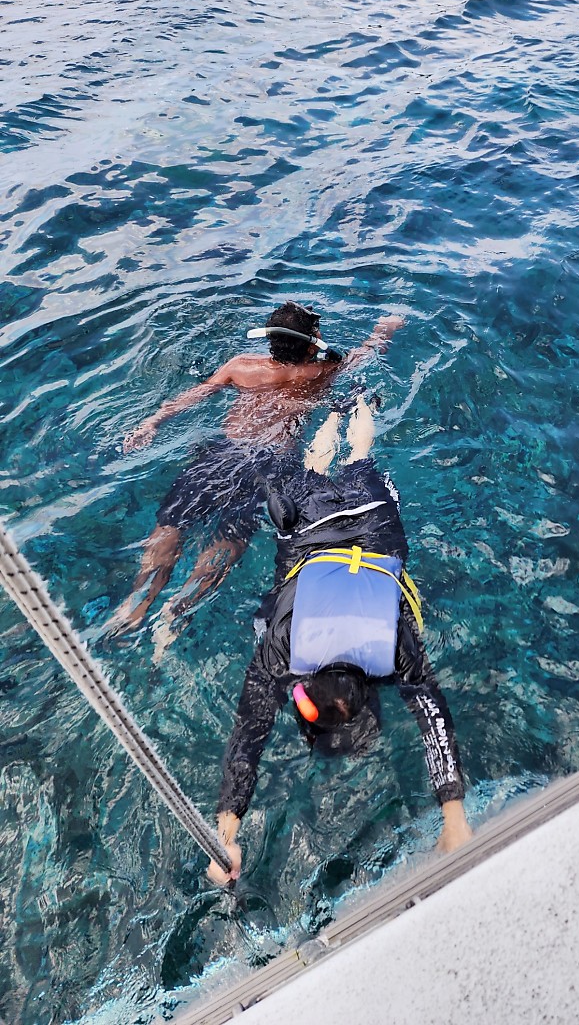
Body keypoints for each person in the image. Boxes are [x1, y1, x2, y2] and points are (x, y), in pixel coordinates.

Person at [207, 396, 472, 884]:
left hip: (375, 526)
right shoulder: (287, 648)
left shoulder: (388, 646)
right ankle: (340, 411)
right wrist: (226, 829)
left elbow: (251, 733)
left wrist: (456, 819)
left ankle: (342, 411)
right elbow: (250, 728)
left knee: (358, 459)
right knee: (321, 465)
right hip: (313, 528)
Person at [109, 302, 404, 658]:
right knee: (230, 534)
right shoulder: (323, 371)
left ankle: (135, 604)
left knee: (172, 522)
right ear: (311, 343)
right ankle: (178, 610)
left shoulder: (241, 367)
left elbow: (193, 396)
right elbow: (369, 353)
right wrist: (384, 328)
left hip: (223, 452)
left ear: (270, 341)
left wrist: (151, 422)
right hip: (270, 462)